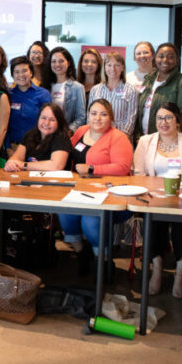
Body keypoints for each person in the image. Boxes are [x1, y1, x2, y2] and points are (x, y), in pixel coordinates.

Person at [133, 103, 182, 298]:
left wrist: (179, 195)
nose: (163, 122)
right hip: (152, 197)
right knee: (154, 218)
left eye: (168, 117)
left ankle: (181, 268)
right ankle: (157, 265)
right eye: (159, 118)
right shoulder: (146, 141)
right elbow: (138, 174)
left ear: (178, 121)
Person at [57, 99, 133, 273]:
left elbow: (123, 167)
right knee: (64, 212)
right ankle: (82, 253)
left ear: (111, 118)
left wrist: (92, 168)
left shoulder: (118, 137)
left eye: (103, 114)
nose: (97, 118)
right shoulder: (82, 131)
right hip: (79, 190)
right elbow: (68, 151)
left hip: (110, 194)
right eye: (93, 113)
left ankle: (103, 261)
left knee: (90, 220)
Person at [136, 43, 182, 137]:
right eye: (161, 56)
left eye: (171, 57)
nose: (165, 60)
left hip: (168, 141)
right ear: (155, 59)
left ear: (177, 60)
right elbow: (140, 111)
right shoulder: (149, 79)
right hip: (144, 139)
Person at [4, 103, 71, 173]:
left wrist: (24, 165)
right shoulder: (30, 135)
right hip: (29, 180)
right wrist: (11, 163)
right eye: (43, 118)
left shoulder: (62, 137)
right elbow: (16, 158)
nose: (46, 123)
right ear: (38, 118)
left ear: (59, 122)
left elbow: (56, 165)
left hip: (54, 182)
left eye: (52, 120)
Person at [88, 52, 139, 139]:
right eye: (109, 65)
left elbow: (131, 119)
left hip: (121, 138)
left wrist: (120, 138)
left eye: (117, 65)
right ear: (104, 67)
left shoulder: (131, 90)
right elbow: (89, 117)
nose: (113, 69)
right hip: (98, 138)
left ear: (122, 67)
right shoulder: (95, 90)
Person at [7, 56, 51, 150]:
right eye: (17, 72)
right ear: (12, 75)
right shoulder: (8, 95)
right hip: (13, 147)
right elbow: (4, 124)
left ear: (31, 73)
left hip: (36, 147)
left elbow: (48, 123)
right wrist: (8, 148)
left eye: (24, 71)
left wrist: (42, 145)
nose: (21, 75)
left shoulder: (43, 94)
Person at [44, 46, 86, 130]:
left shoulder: (77, 87)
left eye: (61, 61)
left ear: (68, 63)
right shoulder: (46, 86)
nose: (57, 64)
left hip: (66, 134)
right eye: (54, 61)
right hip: (47, 132)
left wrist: (67, 132)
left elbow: (81, 118)